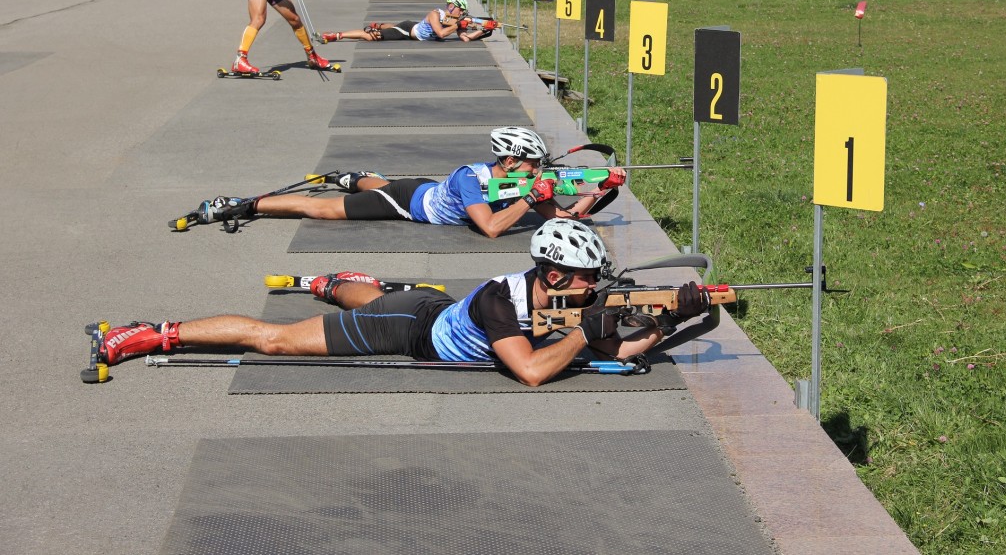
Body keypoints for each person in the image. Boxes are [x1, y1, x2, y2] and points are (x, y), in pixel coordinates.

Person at [91, 219, 708, 386]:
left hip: (433, 304)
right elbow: (531, 372)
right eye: (584, 280)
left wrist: (669, 317)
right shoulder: (502, 302)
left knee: (405, 293)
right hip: (407, 329)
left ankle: (330, 282)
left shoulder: (563, 298)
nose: (592, 290)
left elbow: (620, 347)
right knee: (274, 339)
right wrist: (584, 333)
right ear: (551, 274)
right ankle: (150, 331)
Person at [193, 126, 625, 239]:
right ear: (510, 161)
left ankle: (354, 177)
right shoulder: (472, 181)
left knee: (375, 182)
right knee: (320, 208)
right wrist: (532, 196)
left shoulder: (521, 181)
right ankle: (243, 203)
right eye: (532, 165)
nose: (538, 171)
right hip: (408, 203)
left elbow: (566, 219)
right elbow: (490, 229)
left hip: (425, 185)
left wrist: (599, 191)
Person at [321, 0, 493, 43]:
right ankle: (337, 35)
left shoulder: (454, 21)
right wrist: (457, 26)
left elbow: (465, 39)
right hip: (408, 31)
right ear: (452, 7)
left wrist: (484, 30)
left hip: (413, 26)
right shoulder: (435, 14)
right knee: (372, 36)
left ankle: (380, 24)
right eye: (460, 10)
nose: (462, 14)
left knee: (390, 27)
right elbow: (441, 34)